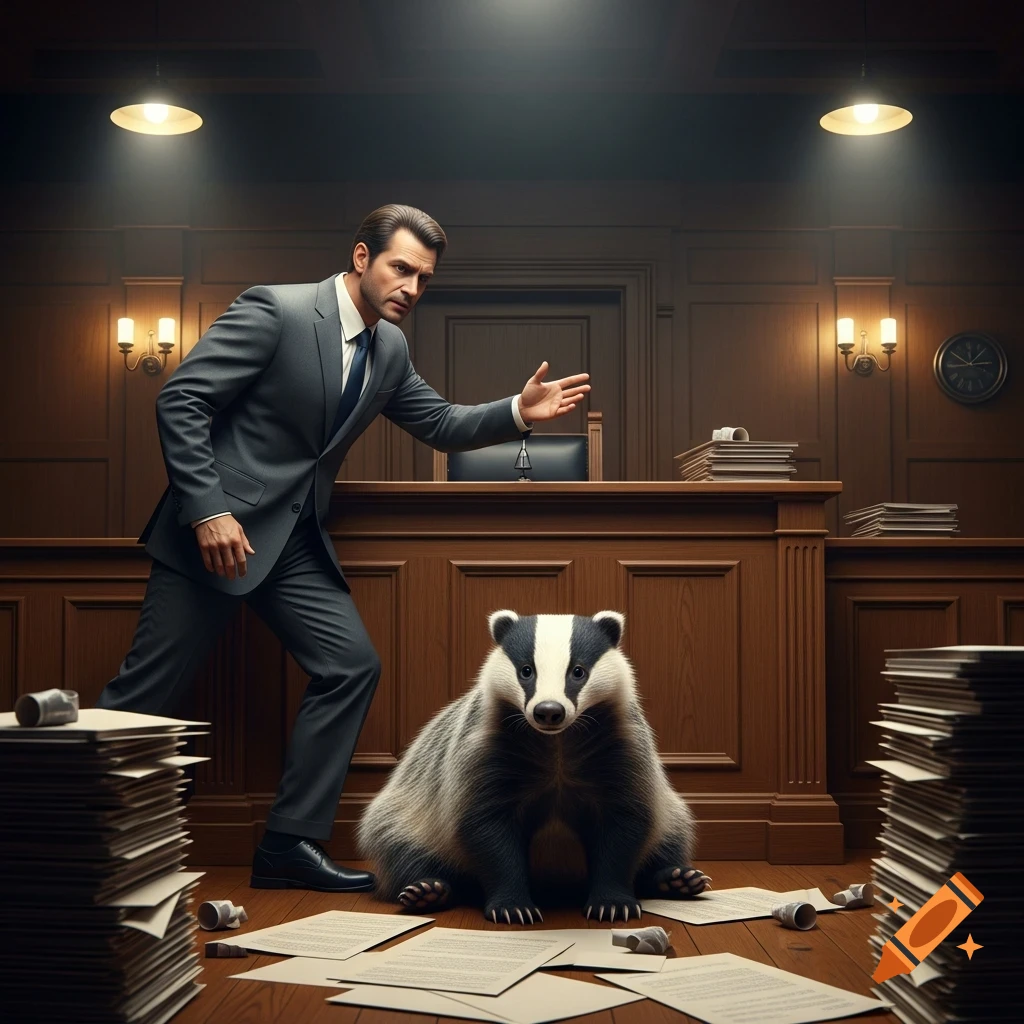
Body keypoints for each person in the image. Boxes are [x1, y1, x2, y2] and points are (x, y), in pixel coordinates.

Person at [96, 204, 590, 892]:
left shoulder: (388, 348)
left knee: (350, 666)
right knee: (144, 697)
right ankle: (70, 837)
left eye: (424, 279)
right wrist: (208, 508)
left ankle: (288, 845)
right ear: (362, 258)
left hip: (293, 544)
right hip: (214, 538)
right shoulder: (276, 311)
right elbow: (181, 401)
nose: (411, 288)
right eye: (400, 269)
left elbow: (441, 422)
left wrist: (515, 412)